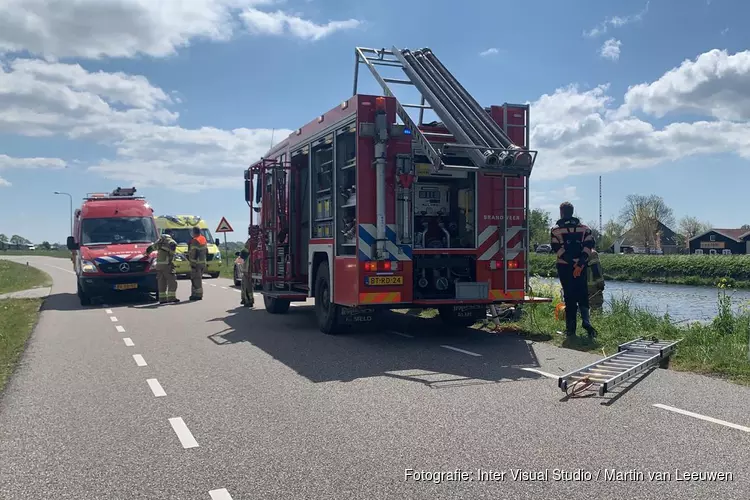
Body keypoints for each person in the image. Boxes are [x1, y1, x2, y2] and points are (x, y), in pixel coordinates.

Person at [550, 201, 596, 337]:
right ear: (572, 212)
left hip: (565, 267)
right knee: (582, 293)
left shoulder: (556, 230)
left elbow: (557, 249)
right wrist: (580, 264)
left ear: (561, 212)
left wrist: (571, 264)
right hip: (581, 267)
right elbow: (589, 246)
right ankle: (586, 321)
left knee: (569, 296)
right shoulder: (585, 228)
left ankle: (571, 330)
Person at [147, 229, 179, 304]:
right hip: (167, 264)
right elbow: (172, 253)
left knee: (161, 282)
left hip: (159, 265)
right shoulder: (171, 242)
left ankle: (162, 299)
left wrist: (146, 253)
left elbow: (151, 248)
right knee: (172, 281)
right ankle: (171, 298)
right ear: (171, 233)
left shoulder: (160, 241)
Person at [187, 226, 207, 301]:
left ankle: (198, 295)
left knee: (196, 279)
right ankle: (195, 294)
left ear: (194, 232)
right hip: (202, 262)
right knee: (198, 278)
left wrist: (192, 263)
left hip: (196, 263)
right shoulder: (203, 238)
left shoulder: (195, 240)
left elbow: (194, 253)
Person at [239, 239, 255, 308]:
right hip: (246, 271)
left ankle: (248, 301)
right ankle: (245, 299)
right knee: (245, 286)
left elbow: (239, 262)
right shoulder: (247, 252)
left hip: (246, 272)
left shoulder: (245, 251)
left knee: (246, 287)